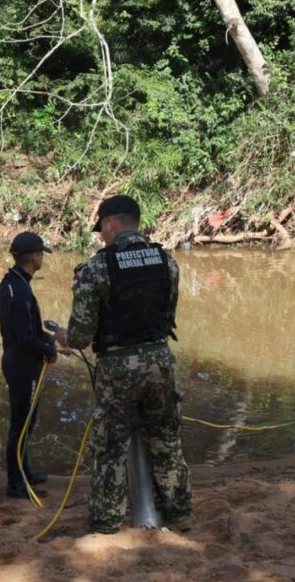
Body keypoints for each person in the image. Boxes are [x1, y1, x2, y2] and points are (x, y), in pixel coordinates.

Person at [53, 195, 192, 534]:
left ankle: (107, 522)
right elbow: (167, 316)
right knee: (166, 441)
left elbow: (81, 336)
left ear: (112, 224)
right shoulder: (167, 262)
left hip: (117, 369)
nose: (101, 235)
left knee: (111, 448)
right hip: (160, 361)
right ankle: (179, 514)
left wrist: (62, 336)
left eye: (101, 228)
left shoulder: (96, 268)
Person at [0, 231, 58, 499]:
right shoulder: (20, 291)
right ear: (33, 257)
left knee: (26, 422)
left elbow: (26, 331)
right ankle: (15, 483)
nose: (42, 257)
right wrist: (49, 350)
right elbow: (24, 339)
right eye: (41, 253)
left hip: (18, 360)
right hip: (23, 365)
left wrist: (48, 340)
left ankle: (25, 472)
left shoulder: (12, 282)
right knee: (21, 424)